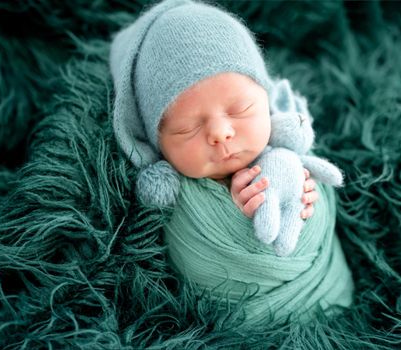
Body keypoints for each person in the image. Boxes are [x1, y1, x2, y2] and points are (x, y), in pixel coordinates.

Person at [110, 0, 353, 325]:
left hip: (333, 299)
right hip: (244, 326)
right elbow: (190, 262)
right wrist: (239, 218)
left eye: (239, 109)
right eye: (187, 128)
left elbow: (319, 218)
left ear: (265, 101)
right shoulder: (179, 200)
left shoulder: (284, 152)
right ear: (158, 148)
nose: (221, 133)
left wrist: (308, 200)